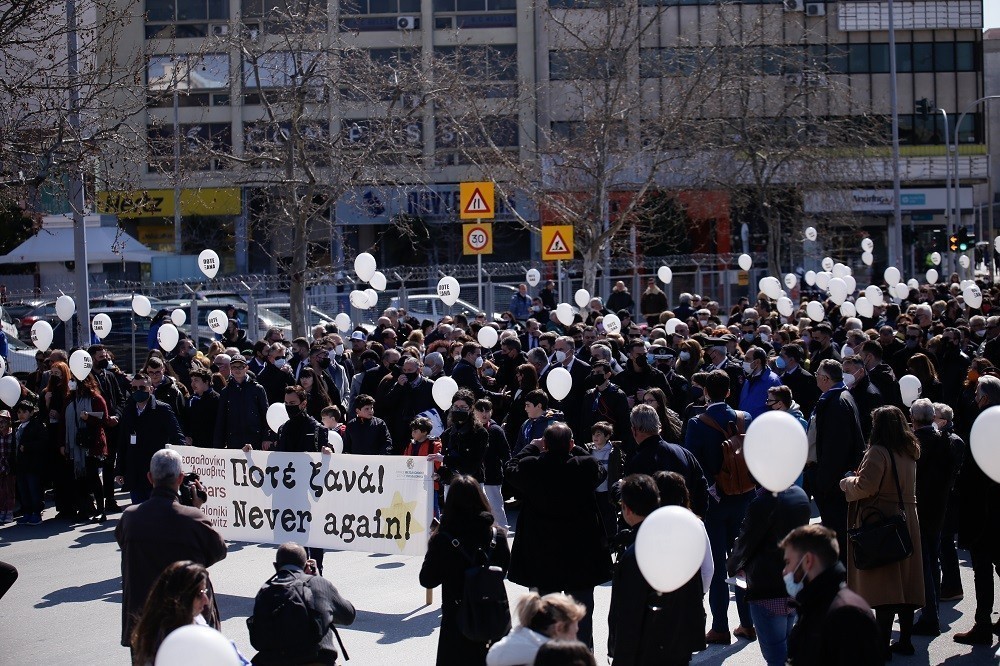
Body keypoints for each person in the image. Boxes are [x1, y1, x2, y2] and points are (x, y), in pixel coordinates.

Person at [505, 423, 611, 648]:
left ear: (545, 444)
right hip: (580, 555)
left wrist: (531, 448)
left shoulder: (532, 466)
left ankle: (548, 653)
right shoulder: (585, 466)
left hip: (544, 555)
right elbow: (601, 472)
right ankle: (582, 652)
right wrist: (576, 448)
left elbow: (510, 468)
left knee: (546, 612)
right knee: (581, 611)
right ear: (571, 444)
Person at [115, 449, 227, 651]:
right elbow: (218, 551)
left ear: (150, 478)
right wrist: (196, 508)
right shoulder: (193, 519)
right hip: (184, 624)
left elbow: (123, 542)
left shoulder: (130, 518)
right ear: (180, 478)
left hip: (144, 623)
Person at [840, 405, 924, 658]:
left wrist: (847, 482)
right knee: (906, 585)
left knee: (884, 586)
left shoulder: (878, 451)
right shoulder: (909, 450)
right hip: (906, 517)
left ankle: (881, 647)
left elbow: (866, 486)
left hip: (882, 520)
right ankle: (905, 641)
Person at [683, 369, 754, 642]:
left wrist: (710, 491)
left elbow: (692, 464)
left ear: (705, 392)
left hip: (715, 503)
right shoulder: (744, 418)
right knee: (741, 562)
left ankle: (721, 627)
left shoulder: (697, 423)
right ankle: (747, 623)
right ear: (728, 392)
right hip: (744, 498)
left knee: (716, 567)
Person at [609, 474, 708, 666]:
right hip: (679, 645)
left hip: (646, 650)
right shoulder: (680, 541)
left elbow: (628, 614)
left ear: (626, 510)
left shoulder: (634, 554)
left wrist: (620, 657)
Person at [419, 475, 511, 665]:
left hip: (456, 620)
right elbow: (504, 570)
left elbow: (427, 580)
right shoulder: (497, 535)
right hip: (492, 616)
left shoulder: (443, 539)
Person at [727, 483, 811, 666]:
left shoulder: (762, 503)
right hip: (794, 585)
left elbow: (745, 542)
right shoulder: (800, 496)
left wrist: (732, 566)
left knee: (776, 658)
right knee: (788, 651)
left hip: (767, 589)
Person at [780, 524, 883, 666]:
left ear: (807, 560)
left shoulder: (847, 616)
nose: (785, 571)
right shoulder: (817, 603)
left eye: (788, 562)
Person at [249, 542, 356, 665]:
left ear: (275, 566)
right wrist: (318, 578)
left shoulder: (264, 591)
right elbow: (348, 616)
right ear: (306, 566)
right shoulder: (318, 584)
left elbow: (257, 639)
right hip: (316, 660)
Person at [953, 374, 1000, 645]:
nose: (974, 399)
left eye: (977, 394)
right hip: (993, 506)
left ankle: (982, 625)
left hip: (983, 509)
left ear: (984, 397)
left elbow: (972, 470)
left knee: (982, 567)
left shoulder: (983, 423)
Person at [909, 398, 960, 636]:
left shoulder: (917, 443)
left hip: (921, 508)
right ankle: (932, 611)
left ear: (913, 419)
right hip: (940, 507)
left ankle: (929, 616)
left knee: (927, 562)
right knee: (933, 560)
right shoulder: (949, 441)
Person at [811, 359, 865, 561]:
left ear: (825, 378)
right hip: (835, 480)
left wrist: (823, 481)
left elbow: (835, 448)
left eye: (817, 374)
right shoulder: (841, 397)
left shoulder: (836, 402)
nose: (815, 377)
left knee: (838, 536)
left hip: (834, 483)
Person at [130, 561, 231, 666]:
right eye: (199, 594)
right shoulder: (167, 638)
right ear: (182, 597)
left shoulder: (195, 619)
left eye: (205, 592)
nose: (206, 600)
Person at [115, 372, 185, 504]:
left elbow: (177, 437)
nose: (137, 391)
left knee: (158, 514)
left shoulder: (162, 409)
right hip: (135, 472)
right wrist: (119, 470)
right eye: (134, 388)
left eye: (142, 388)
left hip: (157, 472)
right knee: (139, 515)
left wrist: (179, 464)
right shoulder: (128, 410)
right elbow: (122, 442)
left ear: (151, 389)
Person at [628, 404, 708, 518]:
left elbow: (636, 503)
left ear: (635, 429)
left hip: (657, 528)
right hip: (686, 522)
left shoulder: (639, 462)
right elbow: (702, 488)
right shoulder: (683, 452)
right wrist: (697, 519)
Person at [487, 592, 587, 666]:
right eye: (574, 633)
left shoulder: (501, 648)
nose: (575, 639)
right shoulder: (551, 659)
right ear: (559, 628)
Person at [64, 375, 110, 522]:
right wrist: (62, 443)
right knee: (80, 479)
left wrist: (88, 418)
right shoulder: (70, 399)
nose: (71, 383)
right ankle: (84, 508)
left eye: (74, 381)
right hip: (76, 445)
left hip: (92, 445)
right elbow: (62, 423)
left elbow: (104, 420)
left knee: (94, 478)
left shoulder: (96, 399)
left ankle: (100, 510)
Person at [214, 354, 270, 450]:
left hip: (255, 439)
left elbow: (265, 414)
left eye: (241, 366)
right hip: (234, 440)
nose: (237, 369)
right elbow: (221, 419)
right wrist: (219, 444)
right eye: (234, 367)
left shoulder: (257, 389)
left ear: (246, 368)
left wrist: (267, 437)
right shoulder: (226, 391)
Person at [473, 399, 511, 530]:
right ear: (474, 412)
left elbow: (506, 453)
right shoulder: (471, 429)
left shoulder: (495, 430)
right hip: (475, 477)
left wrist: (507, 469)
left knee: (496, 508)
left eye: (487, 410)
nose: (484, 414)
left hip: (492, 477)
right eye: (480, 410)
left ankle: (502, 534)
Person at [14, 400, 46, 524]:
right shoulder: (17, 426)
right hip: (21, 465)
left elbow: (43, 442)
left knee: (34, 490)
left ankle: (36, 513)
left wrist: (28, 447)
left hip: (33, 465)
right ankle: (27, 512)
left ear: (31, 412)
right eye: (19, 412)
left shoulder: (37, 425)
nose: (21, 415)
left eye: (24, 412)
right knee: (23, 490)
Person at [184, 368, 220, 448]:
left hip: (211, 445)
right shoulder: (192, 399)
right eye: (192, 380)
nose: (193, 384)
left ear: (206, 381)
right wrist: (187, 435)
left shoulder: (216, 399)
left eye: (196, 380)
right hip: (194, 445)